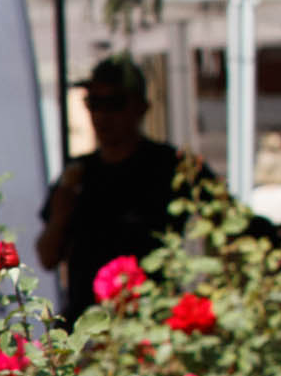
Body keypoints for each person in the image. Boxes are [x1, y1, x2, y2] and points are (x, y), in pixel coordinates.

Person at [39, 55, 189, 321]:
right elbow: (47, 257)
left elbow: (229, 221)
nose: (102, 115)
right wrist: (61, 211)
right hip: (86, 325)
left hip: (151, 322)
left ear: (141, 107)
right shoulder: (77, 173)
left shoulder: (169, 167)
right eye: (94, 103)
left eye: (114, 103)